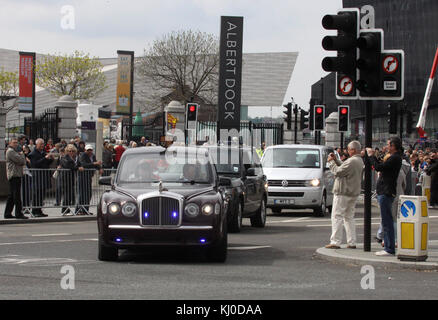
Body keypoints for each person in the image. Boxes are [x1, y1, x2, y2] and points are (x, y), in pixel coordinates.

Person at [366, 137, 402, 256]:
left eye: (388, 145)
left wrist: (371, 155)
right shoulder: (393, 158)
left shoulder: (395, 158)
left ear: (394, 146)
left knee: (387, 221)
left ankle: (389, 248)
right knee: (386, 220)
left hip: (386, 191)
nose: (386, 147)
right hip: (385, 191)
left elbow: (379, 167)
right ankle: (388, 246)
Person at [324, 141, 364, 249]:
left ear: (353, 150)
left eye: (349, 149)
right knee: (349, 217)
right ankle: (352, 242)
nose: (347, 151)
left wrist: (331, 162)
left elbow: (338, 172)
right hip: (353, 192)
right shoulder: (359, 161)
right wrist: (336, 160)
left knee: (337, 216)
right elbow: (344, 167)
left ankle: (335, 241)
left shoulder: (351, 161)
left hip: (343, 192)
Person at [28, 138, 55, 217]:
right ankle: (35, 211)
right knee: (36, 194)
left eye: (43, 144)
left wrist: (51, 159)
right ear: (36, 145)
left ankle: (39, 210)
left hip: (44, 176)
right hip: (37, 177)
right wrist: (45, 158)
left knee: (42, 195)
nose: (42, 146)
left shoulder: (43, 152)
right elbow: (35, 164)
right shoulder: (33, 154)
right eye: (40, 144)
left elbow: (46, 163)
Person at [4, 138, 28, 219]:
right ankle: (19, 213)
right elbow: (22, 161)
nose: (16, 144)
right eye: (14, 143)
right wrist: (22, 154)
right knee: (16, 195)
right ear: (10, 143)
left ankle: (7, 213)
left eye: (16, 143)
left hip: (16, 174)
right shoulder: (10, 151)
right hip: (14, 175)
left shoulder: (13, 151)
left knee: (12, 195)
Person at [76, 144, 102, 215]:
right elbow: (83, 164)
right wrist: (94, 163)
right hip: (82, 176)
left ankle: (85, 210)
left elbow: (96, 164)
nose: (89, 151)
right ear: (85, 150)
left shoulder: (93, 156)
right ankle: (78, 210)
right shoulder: (83, 155)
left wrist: (99, 168)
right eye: (88, 150)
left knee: (88, 194)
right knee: (82, 194)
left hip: (88, 176)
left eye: (90, 150)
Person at [60, 144, 79, 215]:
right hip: (65, 178)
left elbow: (78, 164)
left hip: (71, 178)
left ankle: (67, 209)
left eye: (73, 151)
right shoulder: (65, 157)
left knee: (70, 195)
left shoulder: (74, 158)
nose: (71, 152)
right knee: (67, 195)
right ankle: (64, 210)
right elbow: (68, 165)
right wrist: (77, 167)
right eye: (69, 151)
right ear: (67, 151)